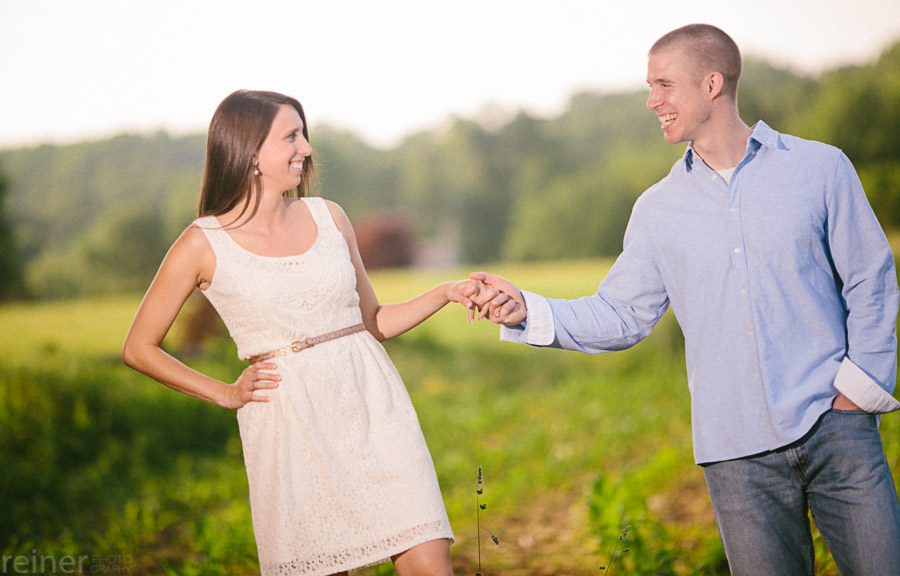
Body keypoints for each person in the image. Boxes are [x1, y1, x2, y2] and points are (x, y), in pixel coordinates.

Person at [471, 24, 900, 576]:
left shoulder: (819, 169)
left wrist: (857, 393)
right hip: (735, 454)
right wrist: (529, 308)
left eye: (664, 85)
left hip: (837, 426)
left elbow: (870, 278)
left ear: (712, 83)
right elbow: (621, 314)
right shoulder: (657, 210)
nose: (653, 102)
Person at [123, 89, 481, 576]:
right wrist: (225, 393)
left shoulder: (329, 216)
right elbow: (139, 347)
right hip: (290, 423)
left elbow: (372, 322)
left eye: (304, 134)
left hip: (374, 406)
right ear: (250, 152)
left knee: (429, 558)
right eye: (291, 136)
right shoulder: (201, 244)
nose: (306, 148)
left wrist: (445, 293)